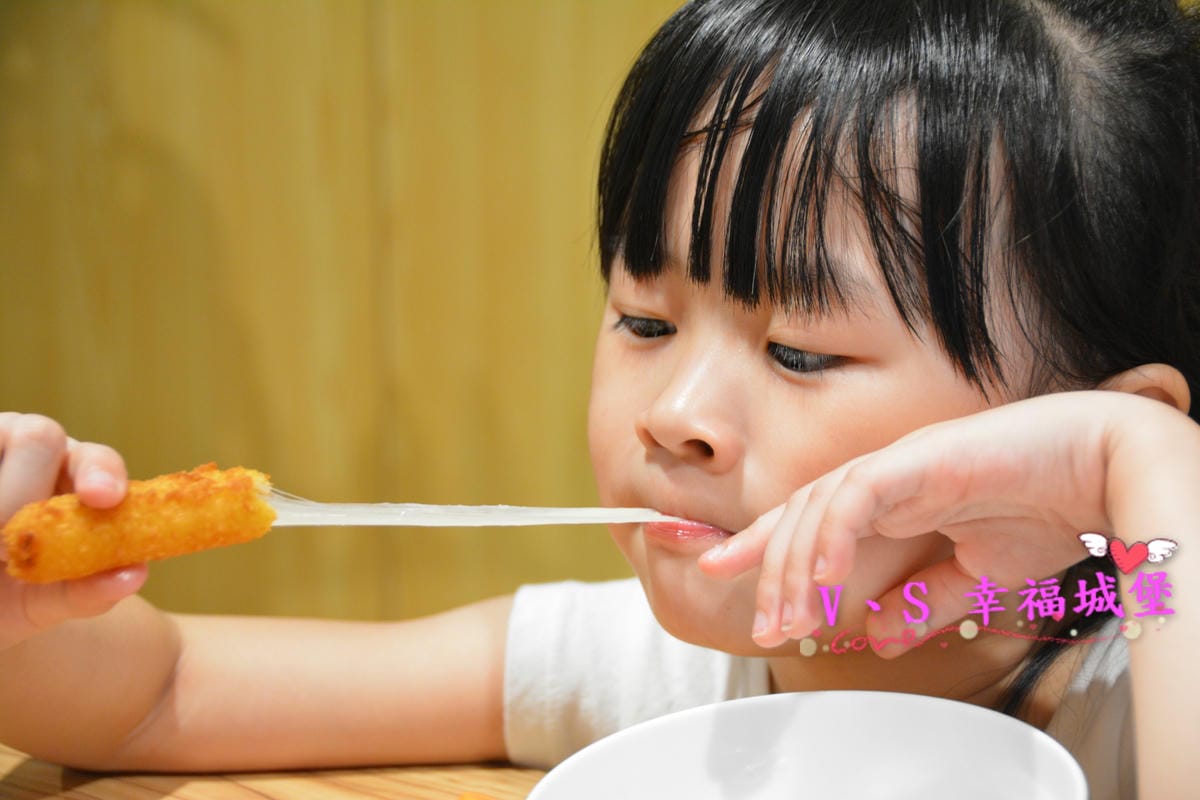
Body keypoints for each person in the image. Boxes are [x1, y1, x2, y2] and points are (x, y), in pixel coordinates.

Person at [2, 0, 1198, 797]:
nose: (671, 409)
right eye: (643, 318)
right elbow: (161, 696)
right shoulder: (652, 666)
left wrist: (1141, 465)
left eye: (802, 351)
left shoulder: (1141, 686)